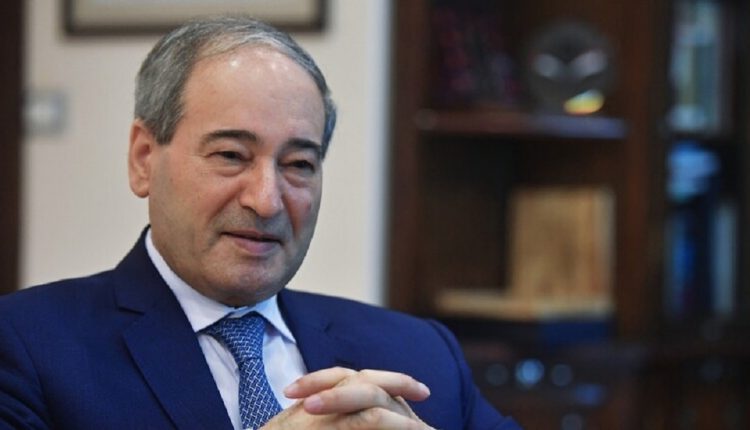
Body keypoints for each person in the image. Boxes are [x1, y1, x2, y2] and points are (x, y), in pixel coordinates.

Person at [0, 16, 521, 430]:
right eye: (230, 155)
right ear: (143, 159)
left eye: (298, 164)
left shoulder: (419, 355)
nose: (267, 200)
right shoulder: (29, 348)